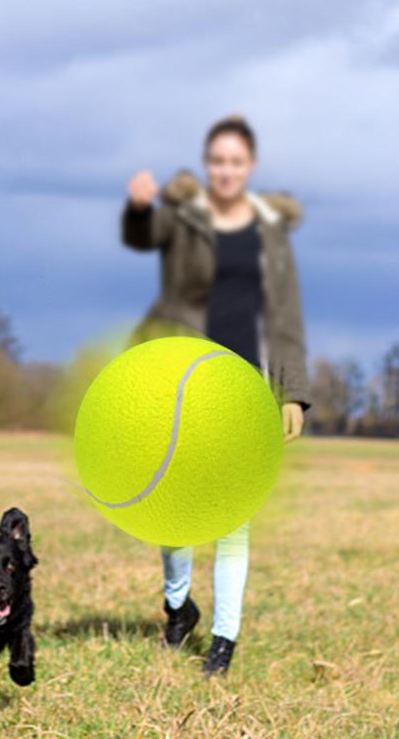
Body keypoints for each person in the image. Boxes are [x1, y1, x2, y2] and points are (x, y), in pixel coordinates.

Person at [120, 113, 311, 677]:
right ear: (208, 165)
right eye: (218, 161)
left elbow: (285, 319)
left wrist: (291, 391)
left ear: (249, 167)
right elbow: (139, 237)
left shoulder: (270, 235)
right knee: (176, 515)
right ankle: (179, 606)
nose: (226, 170)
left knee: (232, 522)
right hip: (179, 382)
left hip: (242, 387)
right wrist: (137, 207)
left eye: (236, 162)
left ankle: (224, 641)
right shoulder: (183, 220)